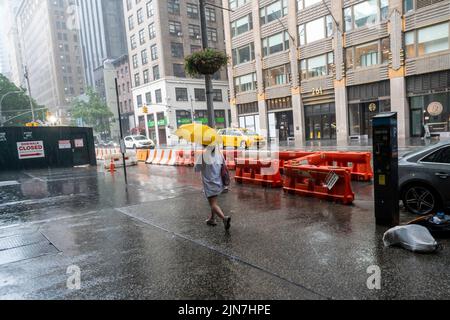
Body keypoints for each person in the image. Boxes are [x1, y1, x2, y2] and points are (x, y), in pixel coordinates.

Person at [195, 143, 231, 231]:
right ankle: (212, 219)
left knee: (213, 204)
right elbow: (224, 165)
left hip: (210, 183)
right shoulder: (219, 153)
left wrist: (197, 161)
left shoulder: (204, 155)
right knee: (214, 200)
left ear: (204, 145)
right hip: (219, 182)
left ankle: (224, 218)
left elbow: (196, 169)